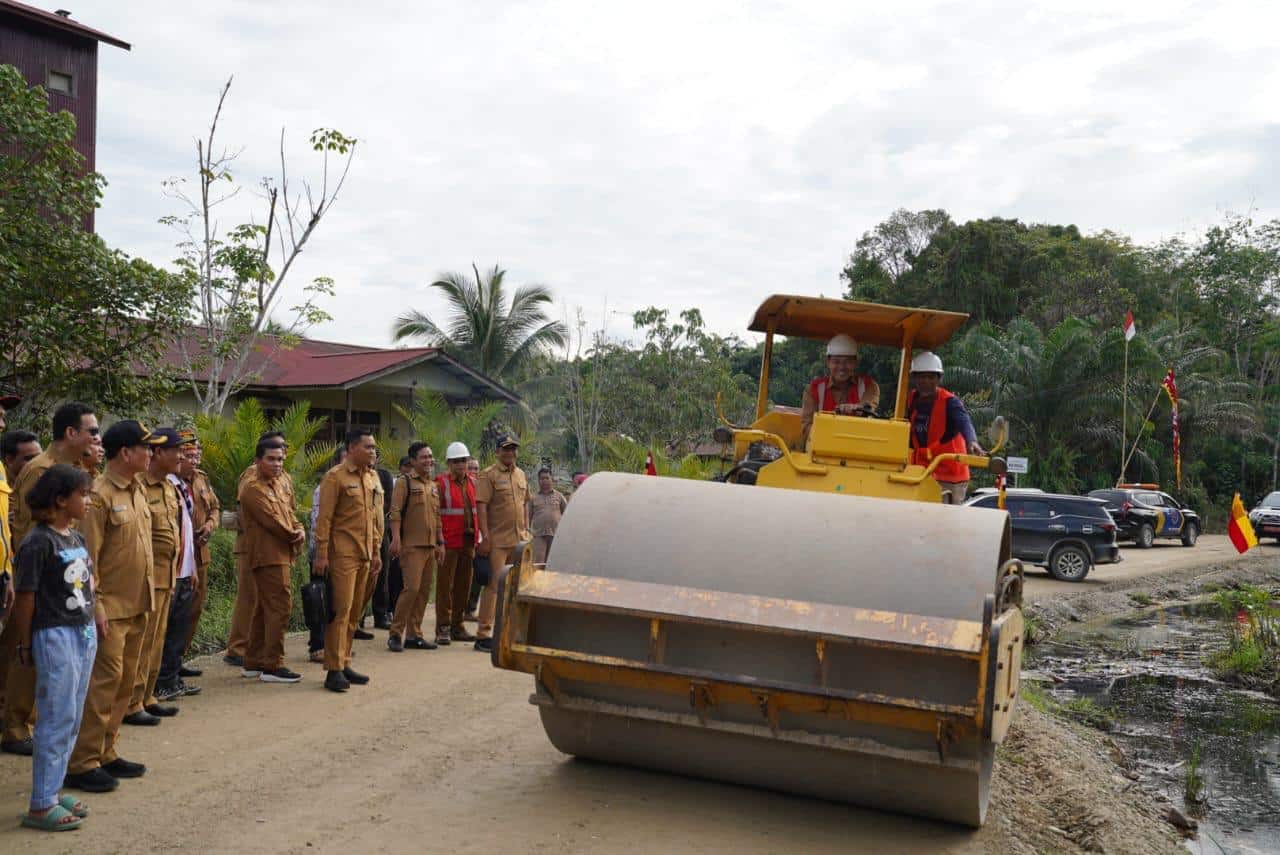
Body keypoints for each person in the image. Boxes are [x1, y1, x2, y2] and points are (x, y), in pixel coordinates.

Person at [65, 420, 164, 793]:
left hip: (138, 603)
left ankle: (107, 751)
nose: (151, 454)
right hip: (110, 609)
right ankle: (82, 761)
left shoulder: (137, 489)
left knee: (125, 685)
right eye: (146, 448)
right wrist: (97, 608)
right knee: (102, 687)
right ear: (127, 452)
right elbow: (87, 559)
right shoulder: (100, 494)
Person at [3, 402, 98, 757]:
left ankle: (35, 723)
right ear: (71, 433)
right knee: (25, 656)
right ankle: (14, 725)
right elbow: (29, 532)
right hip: (41, 583)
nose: (95, 438)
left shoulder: (73, 470)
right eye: (91, 430)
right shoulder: (40, 470)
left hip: (69, 583)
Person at [10, 464, 98, 831]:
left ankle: (53, 787)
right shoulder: (38, 542)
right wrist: (26, 641)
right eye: (83, 495)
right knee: (55, 716)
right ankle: (41, 803)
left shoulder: (74, 537)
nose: (89, 501)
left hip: (82, 631)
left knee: (73, 715)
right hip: (55, 634)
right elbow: (26, 597)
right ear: (61, 500)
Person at [312, 430, 383, 693]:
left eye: (374, 447)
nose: (373, 451)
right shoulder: (335, 477)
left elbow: (374, 520)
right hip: (342, 554)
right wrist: (321, 554)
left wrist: (376, 552)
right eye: (368, 446)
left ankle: (345, 660)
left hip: (366, 553)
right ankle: (333, 670)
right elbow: (325, 519)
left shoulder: (372, 477)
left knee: (355, 612)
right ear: (352, 447)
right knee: (340, 611)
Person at [126, 428, 186, 724]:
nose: (182, 456)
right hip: (143, 579)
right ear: (159, 452)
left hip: (166, 576)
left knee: (156, 642)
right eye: (176, 450)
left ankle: (147, 695)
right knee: (141, 642)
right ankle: (132, 702)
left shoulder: (167, 487)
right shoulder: (138, 486)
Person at [237, 438, 305, 684]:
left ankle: (253, 661)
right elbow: (273, 522)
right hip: (267, 555)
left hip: (280, 553)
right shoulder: (253, 488)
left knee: (265, 608)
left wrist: (299, 528)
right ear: (258, 461)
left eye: (280, 459)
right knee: (280, 607)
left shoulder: (278, 484)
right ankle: (273, 665)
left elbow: (290, 513)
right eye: (271, 459)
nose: (277, 464)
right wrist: (295, 535)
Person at [226, 431, 293, 666]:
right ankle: (238, 648)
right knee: (250, 598)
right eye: (276, 450)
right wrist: (293, 534)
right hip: (253, 545)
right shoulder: (252, 477)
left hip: (278, 547)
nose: (281, 453)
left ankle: (254, 653)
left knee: (265, 603)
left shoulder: (283, 478)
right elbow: (247, 511)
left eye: (283, 450)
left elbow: (290, 509)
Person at [155, 432, 205, 700]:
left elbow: (185, 531)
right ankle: (158, 684)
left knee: (177, 632)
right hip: (169, 575)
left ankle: (170, 681)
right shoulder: (163, 486)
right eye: (182, 453)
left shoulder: (180, 486)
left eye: (189, 453)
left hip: (186, 571)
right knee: (161, 634)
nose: (187, 458)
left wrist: (193, 568)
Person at [474, 435, 530, 653]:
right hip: (497, 542)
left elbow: (525, 503)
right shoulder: (489, 475)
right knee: (494, 587)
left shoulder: (521, 474)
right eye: (506, 449)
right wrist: (485, 537)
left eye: (513, 449)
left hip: (518, 541)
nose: (510, 453)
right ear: (497, 452)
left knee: (515, 587)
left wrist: (526, 528)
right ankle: (483, 634)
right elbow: (481, 507)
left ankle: (508, 629)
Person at [907, 351, 984, 505]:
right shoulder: (911, 399)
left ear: (938, 379)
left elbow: (964, 421)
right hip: (921, 471)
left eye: (931, 377)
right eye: (922, 377)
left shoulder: (950, 402)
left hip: (949, 475)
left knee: (947, 520)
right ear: (915, 378)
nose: (926, 381)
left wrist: (972, 441)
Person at [388, 442, 443, 652]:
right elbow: (395, 512)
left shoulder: (432, 485)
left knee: (423, 592)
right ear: (413, 461)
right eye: (424, 457)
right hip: (411, 546)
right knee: (410, 589)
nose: (429, 460)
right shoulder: (405, 483)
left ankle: (414, 634)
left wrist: (440, 542)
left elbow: (437, 517)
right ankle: (395, 633)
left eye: (430, 456)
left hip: (430, 547)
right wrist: (395, 539)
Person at [177, 436, 219, 673]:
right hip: (180, 556)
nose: (193, 460)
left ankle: (180, 657)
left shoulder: (201, 479)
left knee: (195, 608)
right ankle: (168, 663)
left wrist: (210, 525)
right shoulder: (170, 483)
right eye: (188, 455)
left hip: (200, 553)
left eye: (196, 456)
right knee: (176, 612)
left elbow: (215, 506)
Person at [799, 334, 881, 446]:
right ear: (828, 362)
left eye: (848, 362)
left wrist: (857, 408)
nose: (842, 367)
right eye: (836, 361)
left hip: (859, 451)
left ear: (856, 362)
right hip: (820, 452)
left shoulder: (869, 386)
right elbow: (807, 427)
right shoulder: (814, 389)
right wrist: (832, 439)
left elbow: (868, 407)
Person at [434, 443, 478, 646]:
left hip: (468, 542)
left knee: (463, 586)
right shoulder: (440, 483)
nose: (461, 464)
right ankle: (443, 627)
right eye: (456, 461)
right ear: (449, 463)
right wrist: (438, 541)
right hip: (449, 542)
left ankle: (457, 626)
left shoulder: (474, 483)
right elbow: (435, 513)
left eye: (463, 460)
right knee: (445, 586)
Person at [307, 447, 347, 664]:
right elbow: (318, 522)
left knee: (335, 602)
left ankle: (334, 646)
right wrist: (319, 555)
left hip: (343, 554)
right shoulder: (325, 486)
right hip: (322, 553)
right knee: (318, 599)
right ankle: (317, 646)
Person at [366, 450, 398, 634]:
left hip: (381, 529)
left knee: (382, 574)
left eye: (374, 455)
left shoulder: (383, 476)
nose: (372, 459)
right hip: (361, 532)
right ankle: (359, 618)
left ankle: (380, 614)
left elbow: (386, 502)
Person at [527, 468, 566, 564]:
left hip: (556, 536)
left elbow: (566, 514)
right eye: (541, 478)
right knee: (538, 563)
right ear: (538, 480)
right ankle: (538, 579)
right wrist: (528, 533)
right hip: (539, 536)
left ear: (551, 479)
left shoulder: (559, 496)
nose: (544, 481)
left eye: (546, 478)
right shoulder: (533, 498)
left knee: (553, 563)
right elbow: (528, 516)